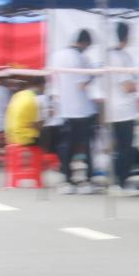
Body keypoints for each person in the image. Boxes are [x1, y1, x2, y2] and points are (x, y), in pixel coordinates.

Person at [52, 29, 97, 194]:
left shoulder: (57, 56)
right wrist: (93, 76)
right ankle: (87, 180)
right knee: (86, 147)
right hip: (81, 110)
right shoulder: (79, 58)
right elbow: (81, 84)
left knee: (67, 146)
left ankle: (67, 179)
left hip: (64, 109)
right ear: (84, 43)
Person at [106, 22, 139, 195]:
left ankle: (118, 181)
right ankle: (120, 182)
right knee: (125, 148)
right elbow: (128, 86)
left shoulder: (112, 55)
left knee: (121, 147)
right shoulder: (119, 58)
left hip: (115, 109)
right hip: (123, 110)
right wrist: (136, 85)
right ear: (127, 36)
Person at [4, 75, 44, 147]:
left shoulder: (18, 95)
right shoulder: (35, 99)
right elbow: (37, 125)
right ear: (42, 85)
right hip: (25, 138)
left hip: (10, 137)